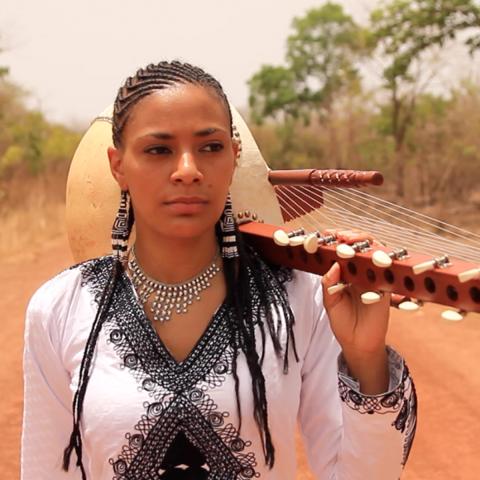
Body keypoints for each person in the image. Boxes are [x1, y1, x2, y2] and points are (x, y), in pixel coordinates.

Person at [21, 60, 417, 480]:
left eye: (210, 147)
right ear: (118, 165)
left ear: (233, 156)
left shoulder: (300, 298)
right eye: (159, 150)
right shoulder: (62, 308)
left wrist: (366, 358)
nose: (188, 171)